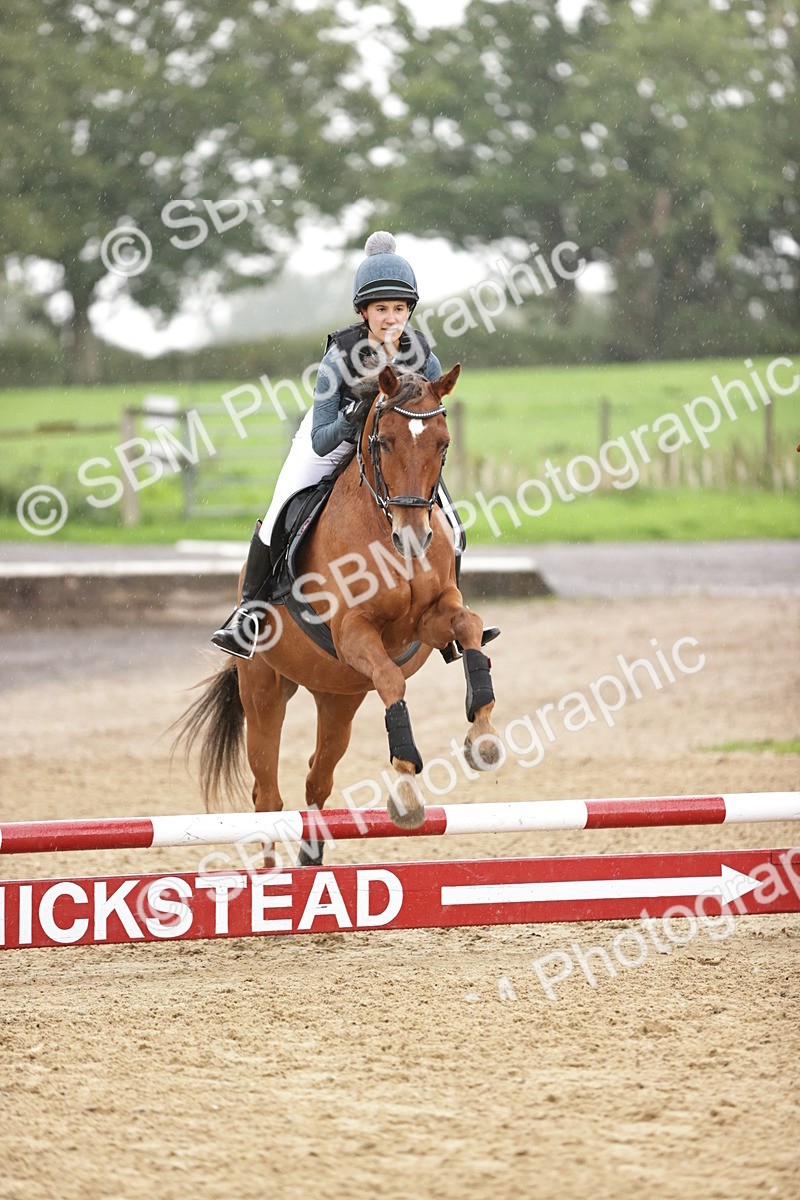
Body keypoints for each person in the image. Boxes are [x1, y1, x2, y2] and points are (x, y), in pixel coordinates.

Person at [212, 231, 496, 660]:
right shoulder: (338, 358)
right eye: (381, 309)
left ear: (409, 310)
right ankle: (247, 616)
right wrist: (358, 418)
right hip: (333, 440)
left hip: (395, 453)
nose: (390, 318)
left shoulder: (425, 357)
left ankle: (449, 614)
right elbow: (321, 437)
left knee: (452, 525)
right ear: (364, 312)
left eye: (399, 308)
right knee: (278, 512)